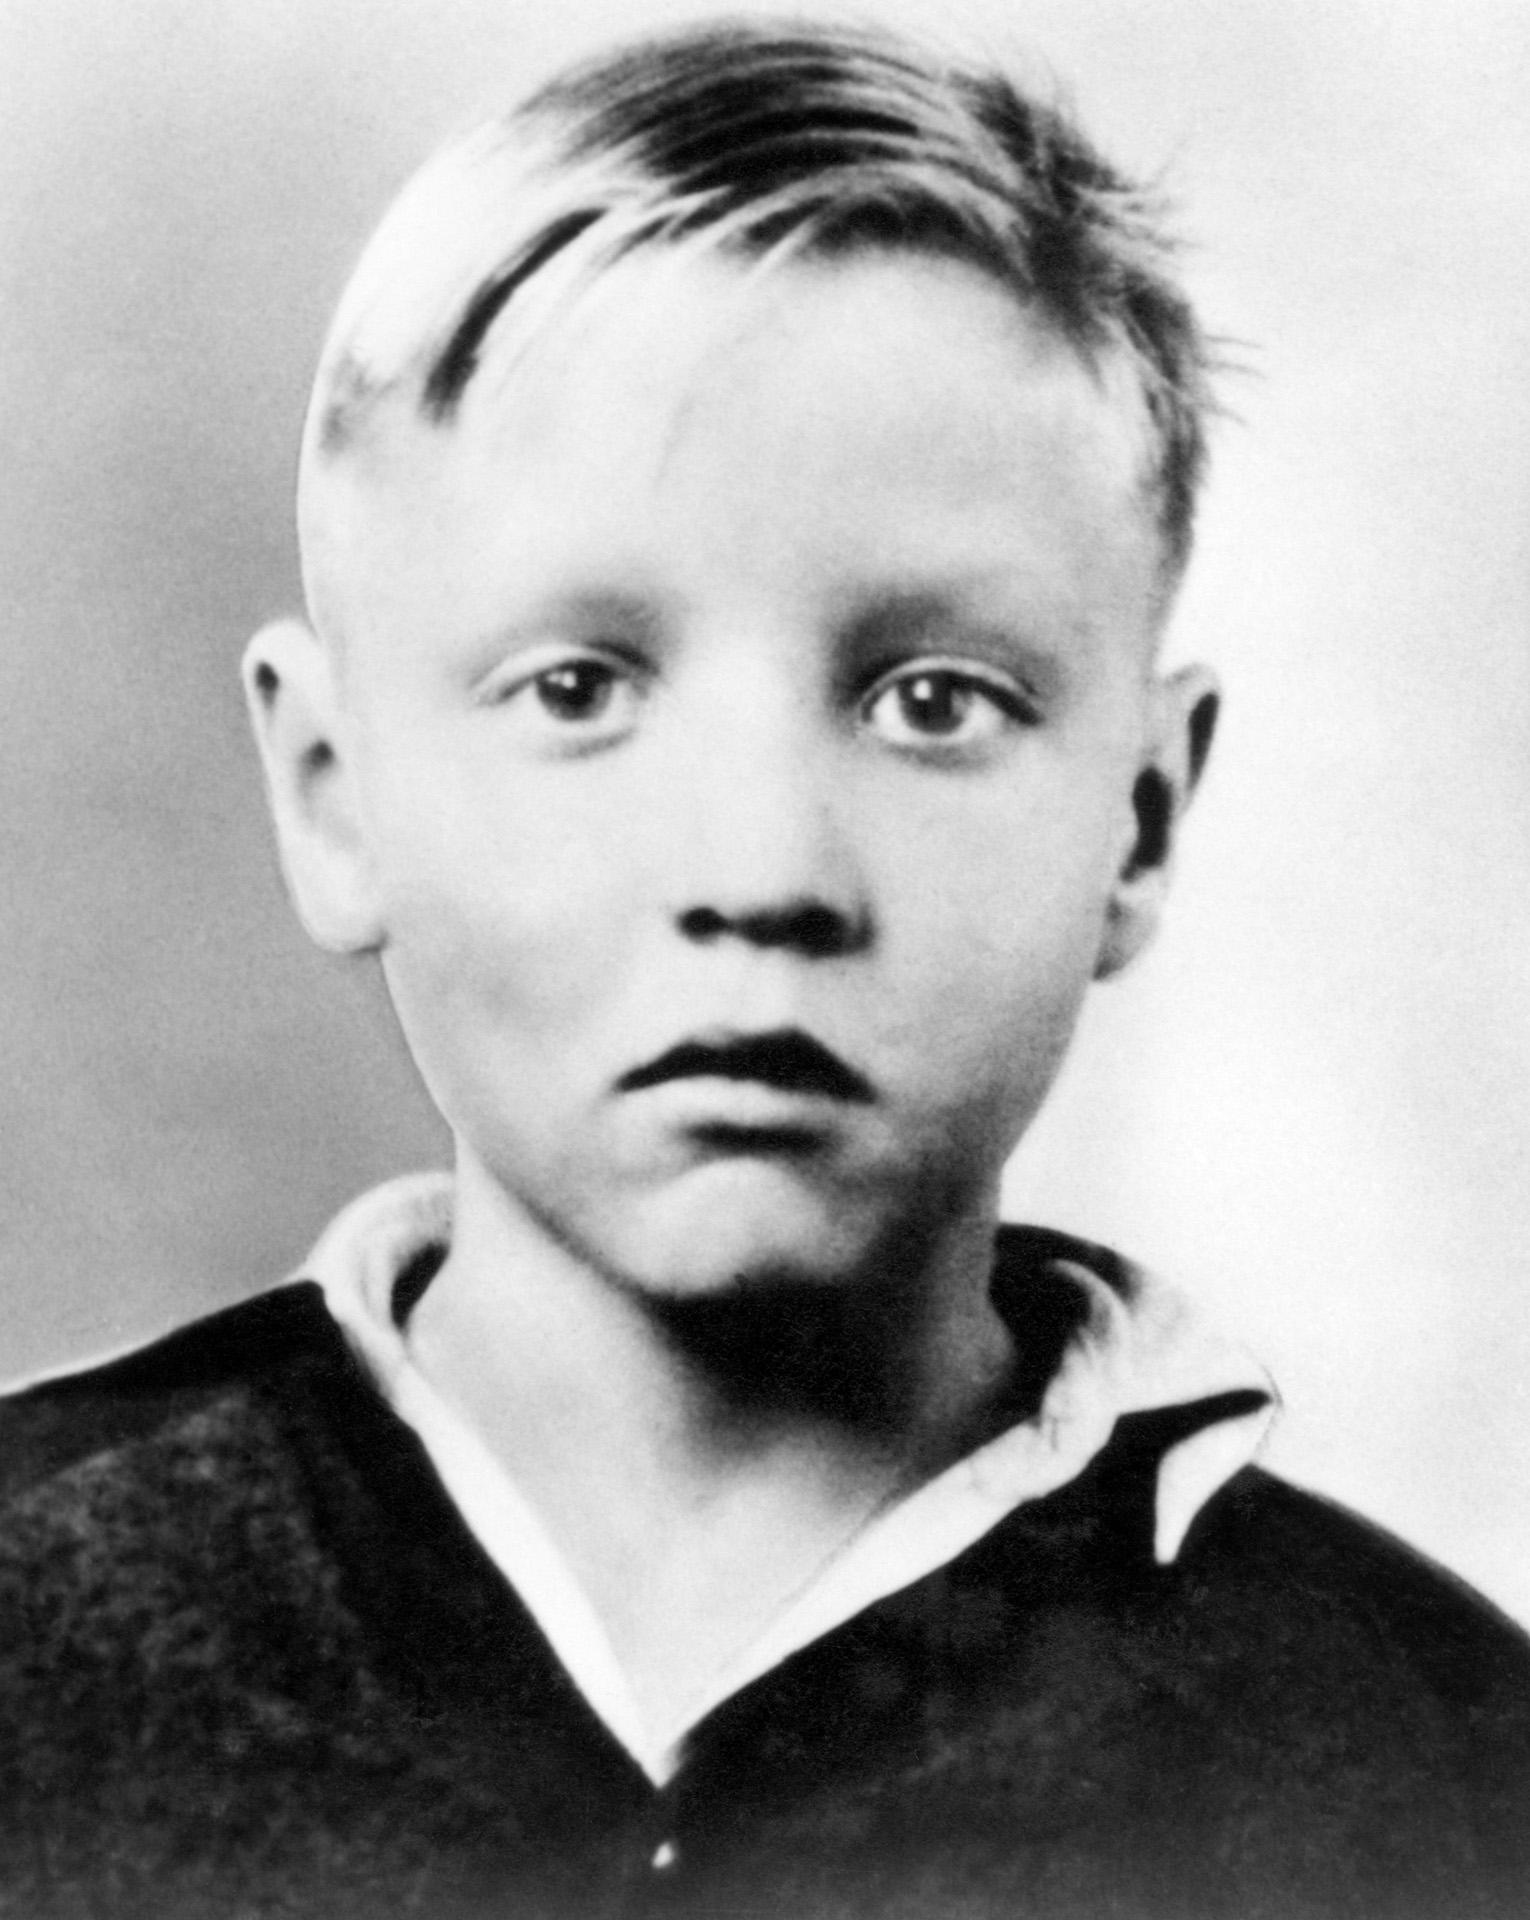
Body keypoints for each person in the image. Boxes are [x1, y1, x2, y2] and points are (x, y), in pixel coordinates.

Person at [1, 16, 1526, 1918]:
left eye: (933, 702)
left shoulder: (1442, 1767)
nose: (761, 874)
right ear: (333, 793)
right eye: (577, 689)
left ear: (1137, 823)